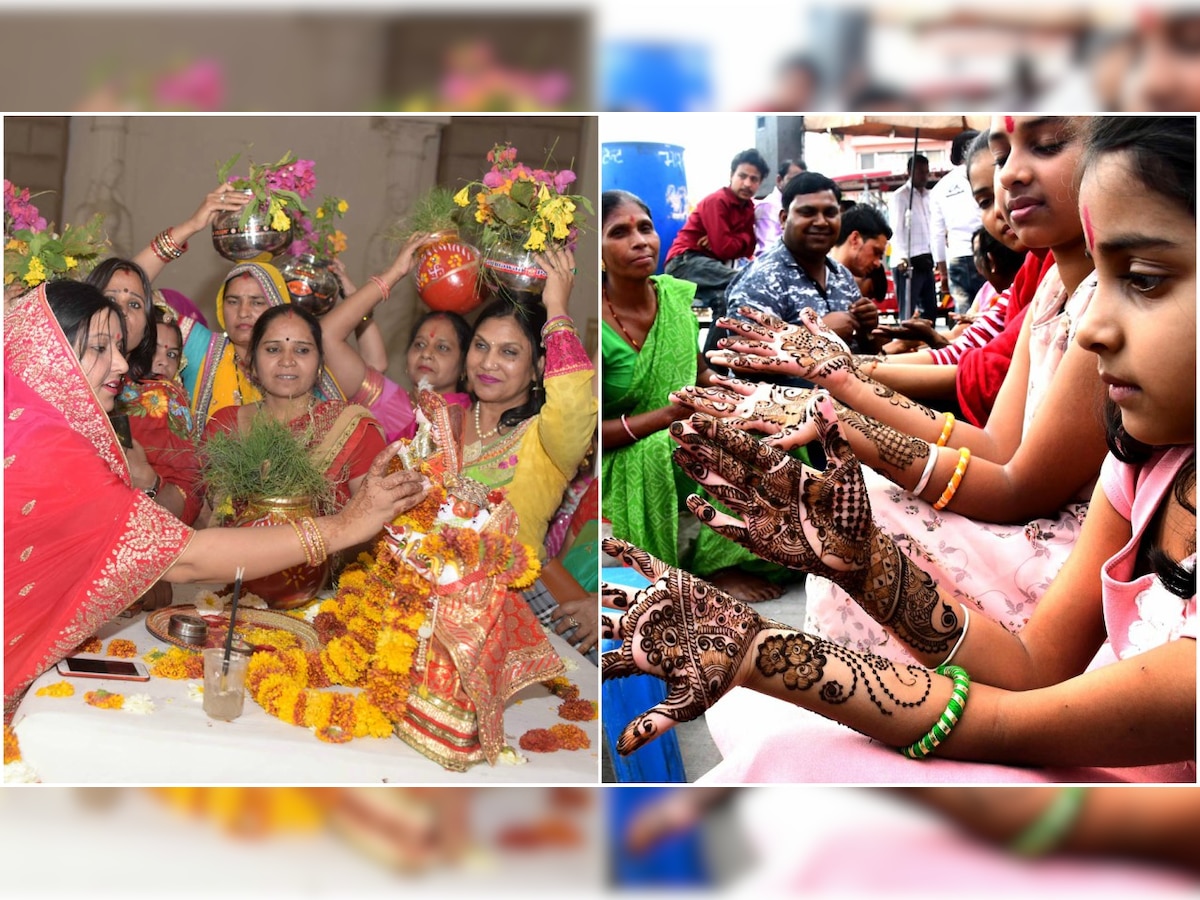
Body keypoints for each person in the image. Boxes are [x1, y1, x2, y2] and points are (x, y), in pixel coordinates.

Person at [602, 114, 1194, 783]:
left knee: (785, 755)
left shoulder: (1129, 415)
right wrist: (862, 568)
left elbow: (1013, 714)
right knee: (777, 742)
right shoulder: (1142, 456)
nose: (1092, 332)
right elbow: (1032, 665)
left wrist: (767, 652)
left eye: (1142, 278)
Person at [687, 116, 1107, 663]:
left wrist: (843, 409)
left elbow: (1015, 481)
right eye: (1003, 158)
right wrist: (840, 384)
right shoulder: (1053, 283)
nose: (1011, 178)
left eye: (1047, 145)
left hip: (1070, 547)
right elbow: (1000, 445)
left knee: (866, 516)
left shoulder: (1099, 302)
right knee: (860, 504)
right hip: (1026, 505)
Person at [4, 280, 428, 717]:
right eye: (99, 347)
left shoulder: (25, 427)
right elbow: (187, 555)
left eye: (118, 346)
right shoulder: (52, 447)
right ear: (46, 353)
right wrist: (341, 526)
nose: (121, 363)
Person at [600, 190, 782, 603]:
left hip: (679, 425)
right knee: (693, 439)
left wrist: (739, 395)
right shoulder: (591, 324)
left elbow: (700, 372)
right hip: (620, 452)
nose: (640, 241)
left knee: (762, 427)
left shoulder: (675, 299)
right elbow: (584, 432)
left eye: (645, 228)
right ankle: (720, 568)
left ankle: (761, 548)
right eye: (620, 233)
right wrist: (665, 417)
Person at [459, 247, 598, 648]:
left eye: (509, 352)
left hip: (516, 610)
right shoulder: (440, 423)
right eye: (481, 346)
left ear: (539, 367)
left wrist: (557, 309)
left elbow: (573, 405)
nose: (488, 363)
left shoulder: (546, 439)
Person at [203, 304, 385, 515]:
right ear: (251, 362)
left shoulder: (353, 429)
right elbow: (207, 516)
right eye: (273, 349)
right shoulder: (225, 424)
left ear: (319, 365)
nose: (287, 361)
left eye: (302, 350)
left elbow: (375, 519)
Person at [714, 172, 879, 381]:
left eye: (830, 213)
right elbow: (743, 361)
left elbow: (863, 353)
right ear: (783, 219)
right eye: (807, 212)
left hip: (847, 400)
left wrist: (867, 329)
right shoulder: (761, 278)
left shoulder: (842, 276)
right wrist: (814, 335)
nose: (821, 222)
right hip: (780, 408)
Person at [317, 234, 472, 443]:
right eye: (419, 344)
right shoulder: (392, 404)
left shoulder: (474, 420)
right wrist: (394, 273)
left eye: (442, 348)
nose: (427, 353)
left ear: (465, 366)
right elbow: (327, 335)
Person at [179, 260, 341, 428]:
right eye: (233, 301)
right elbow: (149, 305)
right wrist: (182, 234)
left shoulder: (303, 370)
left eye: (256, 302)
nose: (243, 313)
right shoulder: (202, 348)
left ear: (277, 305)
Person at [663, 148, 768, 314]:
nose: (747, 183)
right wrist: (736, 241)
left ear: (760, 183)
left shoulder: (748, 208)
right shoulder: (717, 201)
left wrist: (731, 240)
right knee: (746, 280)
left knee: (728, 300)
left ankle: (717, 342)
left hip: (710, 269)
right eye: (742, 176)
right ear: (731, 176)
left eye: (754, 179)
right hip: (686, 262)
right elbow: (724, 249)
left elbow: (748, 249)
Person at [930, 130, 986, 314]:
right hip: (986, 253)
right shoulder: (986, 176)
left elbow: (937, 235)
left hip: (956, 258)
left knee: (963, 315)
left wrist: (943, 272)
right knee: (988, 311)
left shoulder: (939, 188)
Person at [888, 154, 937, 321]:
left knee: (930, 311)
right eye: (920, 172)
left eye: (926, 172)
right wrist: (902, 257)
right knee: (907, 313)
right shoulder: (900, 196)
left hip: (926, 259)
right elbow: (896, 229)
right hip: (907, 262)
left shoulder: (929, 196)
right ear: (909, 172)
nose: (924, 176)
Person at [753, 159, 805, 257]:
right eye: (792, 180)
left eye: (802, 181)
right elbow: (767, 250)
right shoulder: (769, 206)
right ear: (779, 180)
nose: (798, 185)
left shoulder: (796, 204)